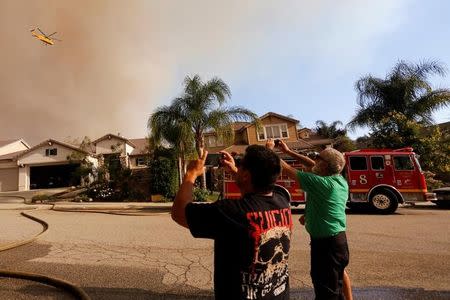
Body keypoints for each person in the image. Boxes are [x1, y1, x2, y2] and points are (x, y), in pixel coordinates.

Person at [171, 145, 293, 299]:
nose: (238, 165)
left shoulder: (232, 212)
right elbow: (257, 187)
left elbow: (179, 212)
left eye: (240, 164)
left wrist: (191, 173)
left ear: (246, 175)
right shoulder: (282, 200)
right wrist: (236, 171)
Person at [267, 139, 350, 300]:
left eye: (319, 158)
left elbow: (287, 169)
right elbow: (311, 164)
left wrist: (270, 151)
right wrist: (288, 151)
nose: (315, 159)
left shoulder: (321, 183)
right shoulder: (337, 180)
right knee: (335, 281)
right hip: (337, 242)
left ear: (325, 165)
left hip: (327, 245)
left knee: (326, 290)